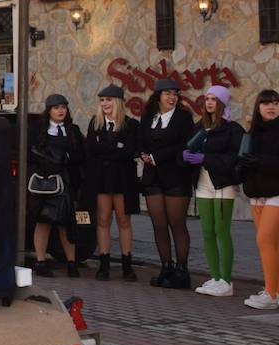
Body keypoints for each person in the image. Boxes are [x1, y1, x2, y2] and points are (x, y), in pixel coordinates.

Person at [240, 89, 279, 309]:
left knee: (264, 240)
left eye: (276, 103)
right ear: (258, 107)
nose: (271, 107)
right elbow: (244, 163)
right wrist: (243, 168)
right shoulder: (252, 133)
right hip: (257, 195)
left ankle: (270, 295)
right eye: (266, 103)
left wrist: (260, 162)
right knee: (270, 244)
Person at [183, 86, 245, 297]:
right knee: (207, 231)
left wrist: (205, 159)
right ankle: (215, 277)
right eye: (207, 99)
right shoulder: (199, 126)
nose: (209, 103)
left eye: (214, 99)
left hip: (223, 184)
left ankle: (226, 281)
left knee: (221, 230)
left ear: (223, 103)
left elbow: (235, 159)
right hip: (203, 184)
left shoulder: (232, 129)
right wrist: (187, 155)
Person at [140, 78, 197, 289]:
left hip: (176, 176)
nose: (172, 97)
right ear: (158, 96)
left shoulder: (184, 118)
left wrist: (157, 156)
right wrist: (143, 154)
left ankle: (182, 271)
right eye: (168, 94)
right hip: (153, 178)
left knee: (177, 223)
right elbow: (140, 141)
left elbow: (184, 145)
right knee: (159, 224)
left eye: (175, 94)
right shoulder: (148, 117)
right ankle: (166, 267)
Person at [85, 84, 140, 281]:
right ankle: (104, 263)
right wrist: (116, 146)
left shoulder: (131, 125)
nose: (105, 103)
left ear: (117, 102)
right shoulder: (95, 123)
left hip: (123, 179)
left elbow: (128, 151)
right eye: (102, 100)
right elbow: (91, 149)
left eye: (108, 100)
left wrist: (107, 148)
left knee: (124, 221)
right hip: (101, 179)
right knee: (103, 220)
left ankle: (127, 265)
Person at [28, 94, 85, 278]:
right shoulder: (37, 130)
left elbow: (82, 155)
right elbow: (29, 154)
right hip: (44, 184)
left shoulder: (73, 131)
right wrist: (46, 162)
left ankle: (71, 263)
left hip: (66, 183)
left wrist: (66, 158)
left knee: (66, 222)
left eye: (64, 107)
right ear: (49, 110)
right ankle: (41, 261)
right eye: (56, 107)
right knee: (43, 221)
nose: (61, 111)